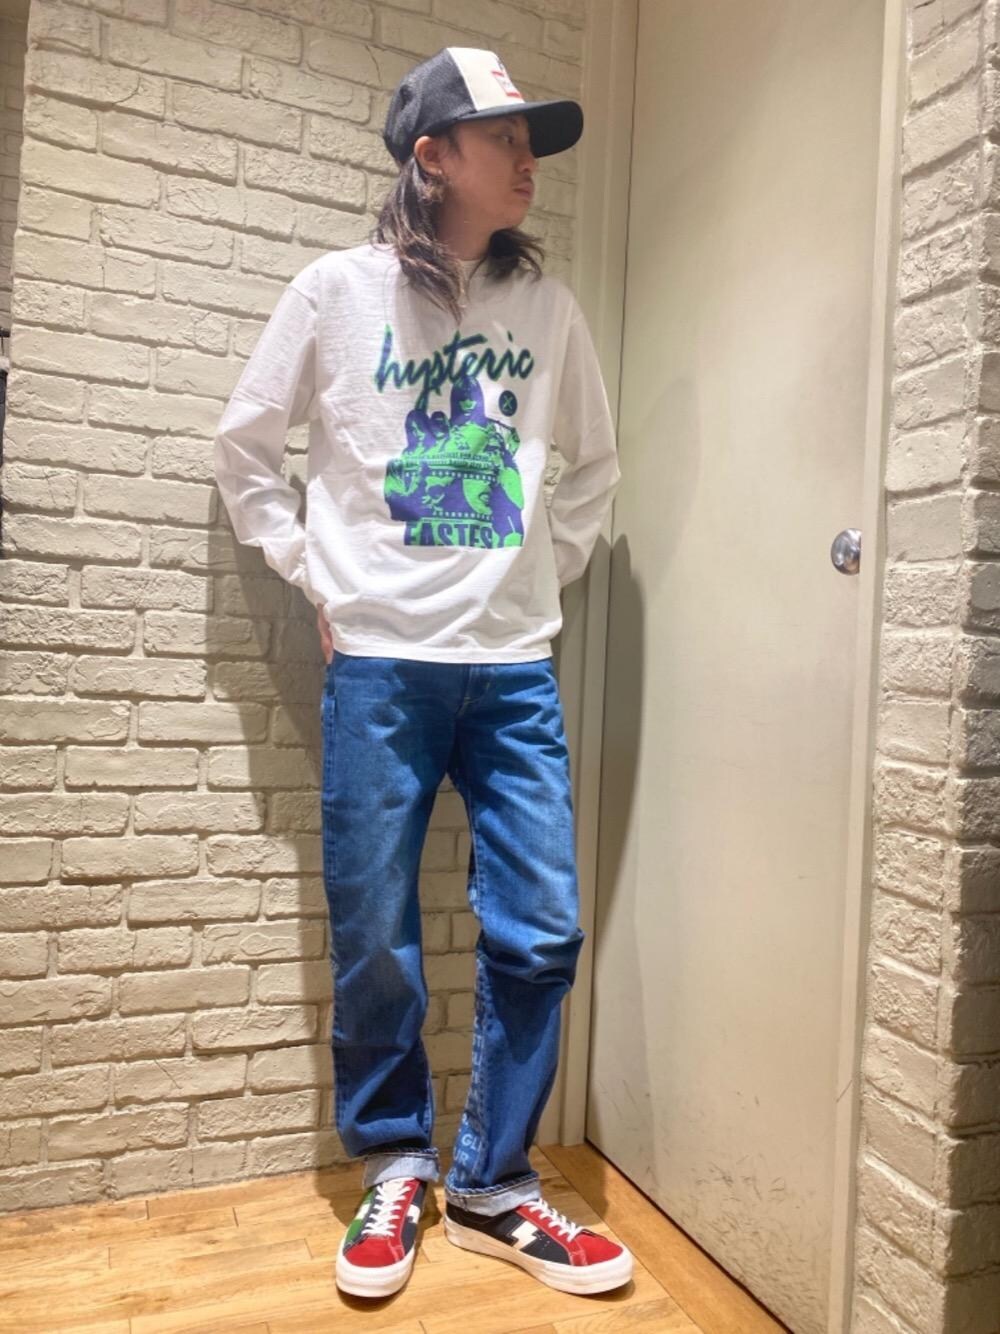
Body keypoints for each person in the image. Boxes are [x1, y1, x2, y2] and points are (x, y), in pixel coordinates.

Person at [213, 45, 630, 1301]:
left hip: (511, 668)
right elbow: (245, 446)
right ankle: (395, 1161)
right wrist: (315, 574)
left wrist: (531, 573)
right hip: (382, 666)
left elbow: (595, 469)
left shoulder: (547, 309)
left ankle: (494, 1183)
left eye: (530, 137)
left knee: (541, 930)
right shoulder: (334, 292)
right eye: (503, 135)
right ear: (432, 154)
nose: (528, 157)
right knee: (376, 937)